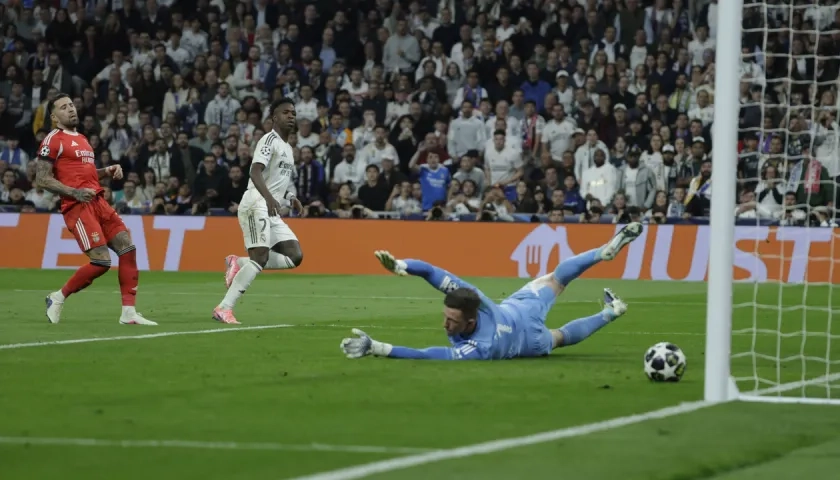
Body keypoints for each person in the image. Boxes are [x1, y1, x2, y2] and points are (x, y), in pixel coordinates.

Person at [340, 222, 643, 360]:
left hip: (528, 343)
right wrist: (401, 266)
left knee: (560, 337)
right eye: (446, 317)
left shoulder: (480, 347)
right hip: (520, 311)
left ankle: (611, 312)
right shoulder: (474, 297)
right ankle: (600, 253)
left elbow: (429, 354)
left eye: (452, 321)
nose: (445, 325)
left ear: (470, 322)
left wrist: (378, 347)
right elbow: (431, 271)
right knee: (557, 279)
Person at [39, 94, 155, 325]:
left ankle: (129, 313)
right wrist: (74, 193)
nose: (71, 109)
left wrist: (107, 171)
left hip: (98, 202)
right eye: (63, 107)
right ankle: (58, 297)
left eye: (71, 105)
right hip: (77, 206)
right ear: (54, 117)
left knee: (127, 248)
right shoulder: (52, 140)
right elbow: (42, 179)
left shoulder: (82, 138)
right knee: (101, 262)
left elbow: (87, 175)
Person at [215, 98, 304, 325]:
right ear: (274, 117)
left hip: (270, 206)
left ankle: (238, 262)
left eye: (293, 113)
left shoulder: (288, 148)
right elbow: (255, 172)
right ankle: (224, 308)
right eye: (285, 112)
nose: (291, 116)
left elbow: (275, 181)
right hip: (256, 202)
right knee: (260, 258)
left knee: (294, 255)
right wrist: (269, 198)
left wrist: (290, 197)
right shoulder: (269, 140)